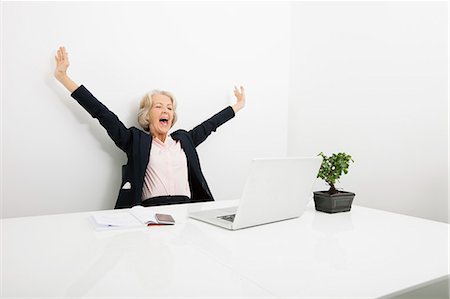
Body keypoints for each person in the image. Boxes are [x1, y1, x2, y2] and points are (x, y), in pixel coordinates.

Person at [54, 46, 245, 209]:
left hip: (187, 211)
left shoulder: (184, 139)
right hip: (149, 213)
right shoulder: (135, 141)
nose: (166, 111)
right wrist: (63, 77)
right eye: (159, 106)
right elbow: (102, 114)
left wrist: (238, 105)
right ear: (147, 113)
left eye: (170, 108)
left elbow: (211, 125)